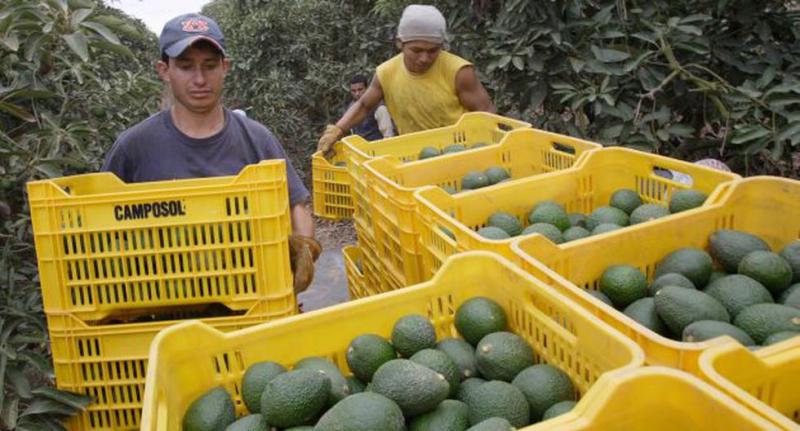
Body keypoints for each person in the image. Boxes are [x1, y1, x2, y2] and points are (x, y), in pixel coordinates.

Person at [102, 13, 320, 296]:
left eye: (209, 66)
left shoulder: (256, 139)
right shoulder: (134, 147)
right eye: (185, 67)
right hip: (164, 303)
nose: (200, 79)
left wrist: (303, 245)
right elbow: (102, 222)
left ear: (225, 67)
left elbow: (296, 205)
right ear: (164, 70)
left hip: (249, 297)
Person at [317, 4, 495, 155]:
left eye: (433, 51)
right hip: (415, 156)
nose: (424, 58)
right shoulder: (386, 73)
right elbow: (364, 105)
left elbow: (487, 113)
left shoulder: (458, 71)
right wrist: (337, 130)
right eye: (416, 50)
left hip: (460, 151)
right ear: (400, 43)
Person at [347, 74, 395, 140]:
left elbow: (388, 135)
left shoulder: (379, 107)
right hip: (359, 144)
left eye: (360, 89)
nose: (357, 93)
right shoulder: (351, 107)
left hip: (377, 144)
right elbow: (353, 131)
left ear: (367, 89)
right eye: (354, 91)